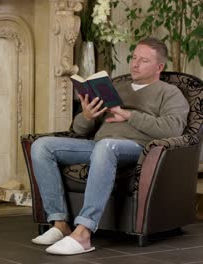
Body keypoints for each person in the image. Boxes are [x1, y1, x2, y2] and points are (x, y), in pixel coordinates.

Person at [30, 37, 189, 255]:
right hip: (99, 147)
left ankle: (84, 232)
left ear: (159, 67)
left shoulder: (169, 93)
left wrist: (128, 115)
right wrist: (86, 115)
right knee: (42, 146)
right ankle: (60, 224)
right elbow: (78, 131)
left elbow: (173, 129)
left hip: (137, 149)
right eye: (134, 58)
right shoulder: (114, 87)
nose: (134, 64)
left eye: (143, 60)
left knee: (106, 146)